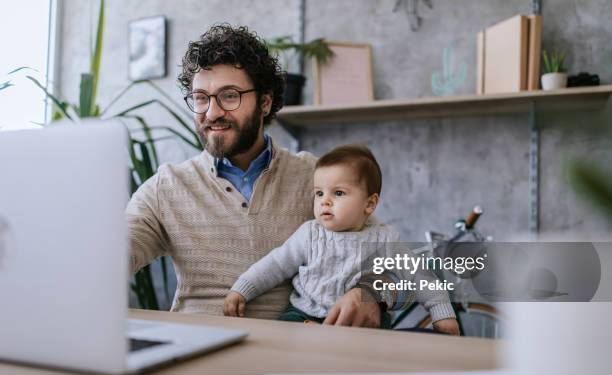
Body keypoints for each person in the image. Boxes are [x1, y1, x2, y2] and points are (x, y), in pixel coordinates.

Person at [126, 24, 392, 328]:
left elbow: (389, 262)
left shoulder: (316, 179)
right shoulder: (167, 186)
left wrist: (371, 294)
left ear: (265, 103)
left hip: (294, 353)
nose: (212, 112)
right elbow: (114, 251)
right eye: (201, 98)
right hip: (196, 351)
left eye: (229, 96)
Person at [223, 145, 459, 332]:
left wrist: (442, 311)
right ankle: (313, 332)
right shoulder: (310, 234)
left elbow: (418, 275)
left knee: (383, 335)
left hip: (360, 322)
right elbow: (275, 264)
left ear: (370, 204)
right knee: (285, 325)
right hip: (306, 312)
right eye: (319, 193)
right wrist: (242, 289)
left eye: (338, 193)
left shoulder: (383, 238)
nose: (324, 201)